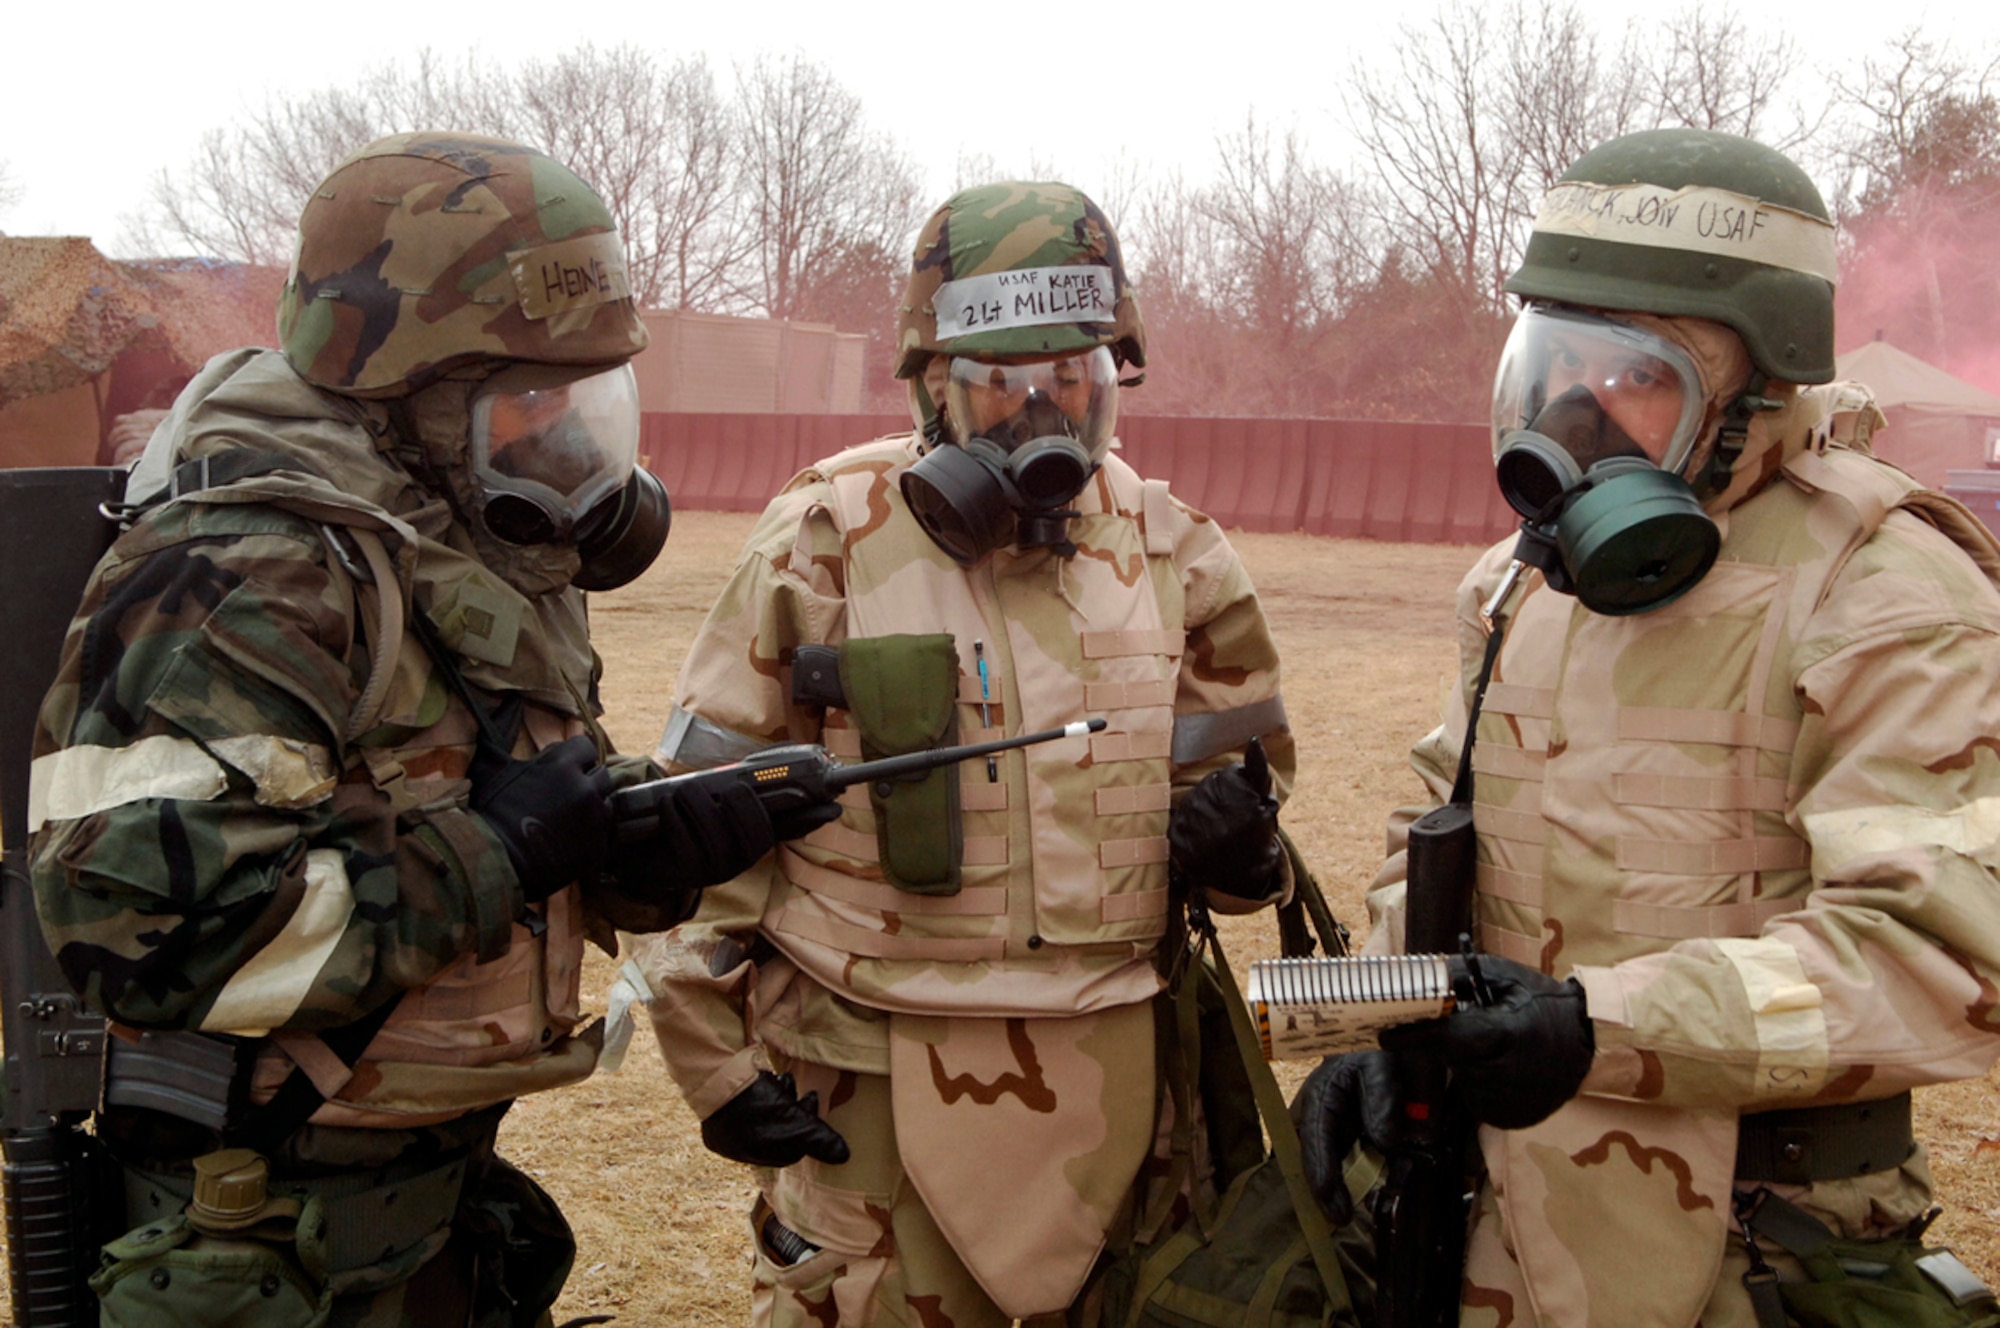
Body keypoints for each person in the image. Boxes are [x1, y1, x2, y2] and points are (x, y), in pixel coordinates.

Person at [27, 132, 793, 1327]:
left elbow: (433, 792)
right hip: (251, 1239)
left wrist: (629, 839)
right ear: (408, 397)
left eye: (583, 395)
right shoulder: (246, 571)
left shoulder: (446, 539)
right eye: (529, 398)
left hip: (410, 1215)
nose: (567, 437)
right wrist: (507, 855)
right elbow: (147, 934)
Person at [1297, 127, 2000, 1328]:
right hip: (1495, 1216)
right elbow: (1427, 842)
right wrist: (1383, 1028)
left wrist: (1595, 1028)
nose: (1574, 416)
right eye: (1551, 366)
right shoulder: (1516, 586)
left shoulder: (1886, 594)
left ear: (1753, 393)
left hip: (1750, 1237)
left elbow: (1942, 955)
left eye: (1633, 375)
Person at [626, 181, 1296, 1327]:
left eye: (1072, 379)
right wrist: (714, 1069)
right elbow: (696, 825)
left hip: (1118, 1088)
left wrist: (1244, 850)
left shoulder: (1173, 546)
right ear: (932, 388)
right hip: (871, 1078)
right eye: (1000, 384)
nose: (1042, 415)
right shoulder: (828, 537)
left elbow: (1240, 801)